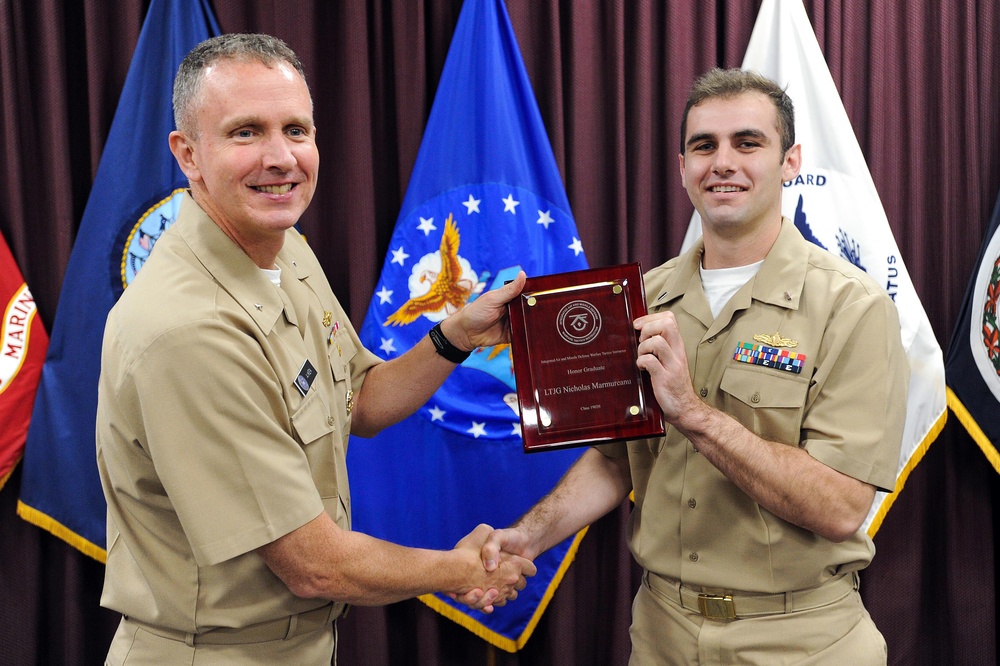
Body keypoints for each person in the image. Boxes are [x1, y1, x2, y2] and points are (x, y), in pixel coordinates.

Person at [96, 33, 534, 665]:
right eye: (246, 132)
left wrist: (456, 336)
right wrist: (457, 569)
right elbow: (314, 567)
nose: (281, 158)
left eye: (296, 130)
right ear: (188, 155)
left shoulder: (282, 246)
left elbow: (360, 401)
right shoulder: (192, 330)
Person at [476, 68, 909, 664]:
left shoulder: (853, 309)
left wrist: (695, 415)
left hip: (800, 639)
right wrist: (529, 534)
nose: (722, 162)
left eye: (748, 143)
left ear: (790, 162)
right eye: (704, 146)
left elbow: (838, 508)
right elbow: (613, 462)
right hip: (663, 634)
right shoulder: (635, 302)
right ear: (682, 166)